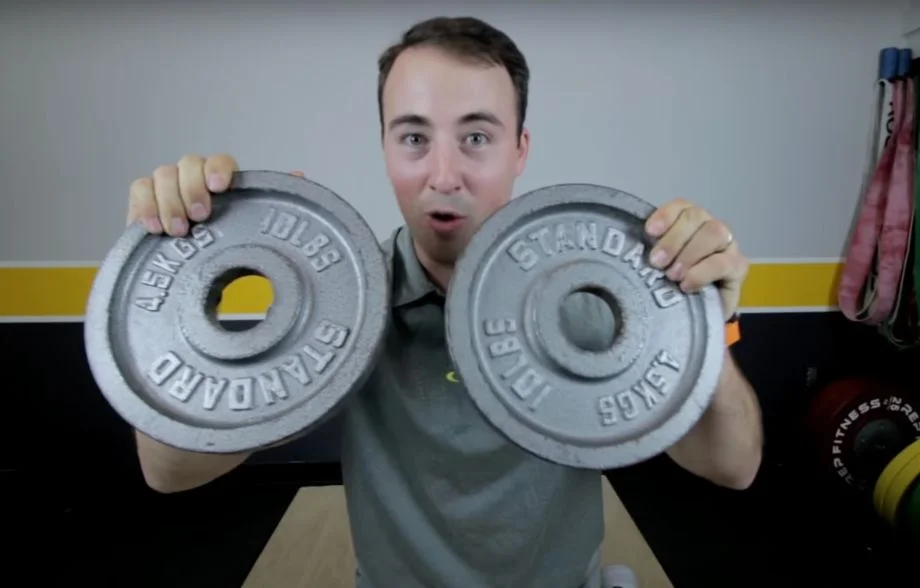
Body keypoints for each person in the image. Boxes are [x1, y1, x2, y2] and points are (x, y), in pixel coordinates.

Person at [123, 16, 763, 588]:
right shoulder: (346, 300)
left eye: (477, 138)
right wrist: (183, 261)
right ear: (384, 147)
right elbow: (168, 472)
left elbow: (733, 468)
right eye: (413, 138)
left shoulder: (593, 294)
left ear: (520, 150)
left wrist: (713, 322)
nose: (444, 175)